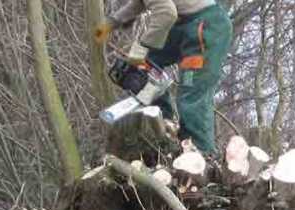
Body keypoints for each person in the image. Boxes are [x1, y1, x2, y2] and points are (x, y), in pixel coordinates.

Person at [95, 0, 232, 157]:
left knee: (191, 95)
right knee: (146, 63)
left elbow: (166, 13)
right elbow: (141, 2)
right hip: (184, 23)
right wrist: (114, 21)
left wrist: (142, 46)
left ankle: (201, 153)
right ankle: (164, 120)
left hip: (206, 26)